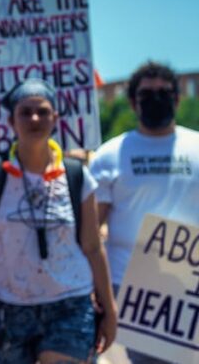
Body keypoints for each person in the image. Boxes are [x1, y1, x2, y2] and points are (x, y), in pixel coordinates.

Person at [0, 78, 117, 364]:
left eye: (42, 111)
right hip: (6, 307)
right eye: (25, 112)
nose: (34, 118)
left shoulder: (78, 176)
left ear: (56, 119)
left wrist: (110, 311)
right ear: (12, 121)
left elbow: (92, 246)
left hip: (70, 303)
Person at [90, 61, 199, 364]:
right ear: (133, 101)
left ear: (177, 99)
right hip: (133, 286)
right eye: (146, 94)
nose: (155, 99)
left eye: (163, 93)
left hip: (192, 281)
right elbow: (91, 231)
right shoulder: (109, 156)